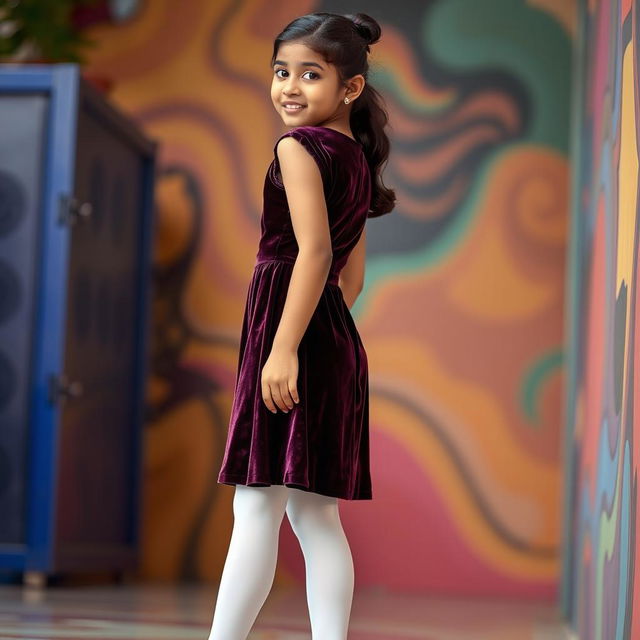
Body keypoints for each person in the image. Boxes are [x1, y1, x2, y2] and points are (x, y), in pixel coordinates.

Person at [208, 11, 395, 640]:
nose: (289, 86)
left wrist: (284, 347)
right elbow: (351, 277)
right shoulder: (357, 160)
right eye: (281, 71)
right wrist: (320, 336)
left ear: (350, 88)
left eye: (309, 75)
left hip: (290, 336)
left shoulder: (298, 147)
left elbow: (314, 254)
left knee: (256, 505)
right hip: (333, 336)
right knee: (317, 519)